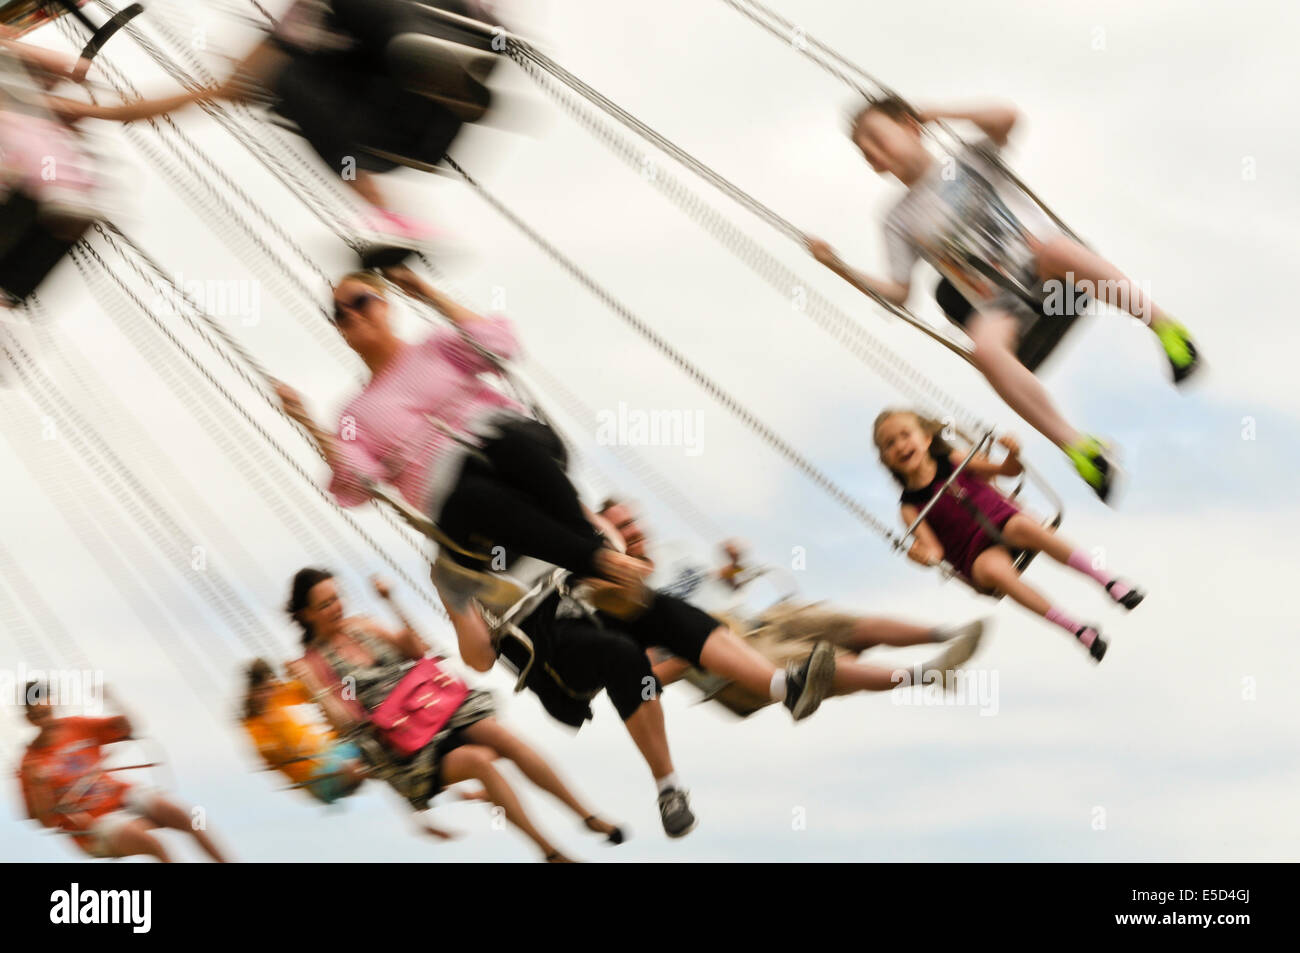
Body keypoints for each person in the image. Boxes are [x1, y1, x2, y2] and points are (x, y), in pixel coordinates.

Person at [806, 96, 1202, 503]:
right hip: (1002, 306)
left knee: (1056, 250)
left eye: (875, 136)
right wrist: (838, 266)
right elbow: (898, 293)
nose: (871, 151)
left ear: (909, 125)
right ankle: (1081, 451)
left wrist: (934, 112)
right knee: (985, 351)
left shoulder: (967, 158)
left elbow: (1008, 118)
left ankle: (1167, 330)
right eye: (862, 149)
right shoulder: (897, 218)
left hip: (1050, 279)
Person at [275, 266, 653, 607]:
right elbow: (359, 485)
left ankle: (595, 561)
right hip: (464, 504)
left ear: (385, 305)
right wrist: (308, 424)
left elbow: (501, 345)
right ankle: (601, 560)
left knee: (506, 445)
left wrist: (426, 292)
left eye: (360, 302)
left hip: (514, 448)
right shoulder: (354, 414)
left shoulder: (436, 346)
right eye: (341, 313)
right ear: (339, 329)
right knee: (472, 494)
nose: (352, 314)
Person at [286, 568, 625, 861]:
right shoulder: (313, 664)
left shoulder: (361, 626)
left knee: (503, 738)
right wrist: (313, 686)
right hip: (409, 747)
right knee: (480, 762)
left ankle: (586, 814)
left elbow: (417, 650)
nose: (336, 608)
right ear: (305, 614)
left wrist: (392, 603)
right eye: (325, 604)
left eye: (337, 598)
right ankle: (549, 851)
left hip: (436, 706)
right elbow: (346, 723)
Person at [107, 0, 503, 247]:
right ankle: (395, 218)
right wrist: (90, 112)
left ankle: (440, 66)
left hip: (454, 60)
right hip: (398, 136)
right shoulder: (296, 28)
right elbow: (203, 97)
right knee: (284, 76)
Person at [597, 499, 987, 712]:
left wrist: (733, 565)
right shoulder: (623, 600)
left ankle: (944, 635)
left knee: (835, 621)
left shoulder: (672, 552)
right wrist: (688, 654)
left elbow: (720, 586)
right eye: (621, 528)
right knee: (820, 662)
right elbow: (642, 676)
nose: (632, 531)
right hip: (730, 655)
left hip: (755, 620)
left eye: (632, 522)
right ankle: (925, 675)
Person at [873, 409, 1147, 662]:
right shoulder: (910, 507)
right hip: (974, 554)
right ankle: (1077, 629)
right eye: (889, 444)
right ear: (885, 459)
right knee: (996, 572)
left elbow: (1006, 471)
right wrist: (920, 556)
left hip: (1002, 521)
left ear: (926, 437)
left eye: (904, 436)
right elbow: (935, 552)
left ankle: (1108, 581)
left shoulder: (952, 460)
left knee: (1027, 527)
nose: (899, 446)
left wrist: (1011, 454)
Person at [18, 681, 229, 862]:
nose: (44, 717)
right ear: (29, 718)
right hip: (94, 822)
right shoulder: (30, 763)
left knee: (187, 817)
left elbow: (127, 728)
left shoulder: (77, 726)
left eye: (46, 709)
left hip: (119, 794)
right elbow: (46, 821)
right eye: (37, 714)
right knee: (154, 844)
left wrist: (112, 700)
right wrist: (39, 789)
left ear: (53, 703)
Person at [241, 657, 367, 805]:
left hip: (329, 751)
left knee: (367, 743)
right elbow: (276, 753)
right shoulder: (254, 725)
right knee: (358, 769)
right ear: (252, 694)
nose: (267, 695)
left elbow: (309, 690)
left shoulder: (276, 694)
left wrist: (300, 674)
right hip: (315, 776)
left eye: (269, 688)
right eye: (261, 692)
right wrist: (273, 721)